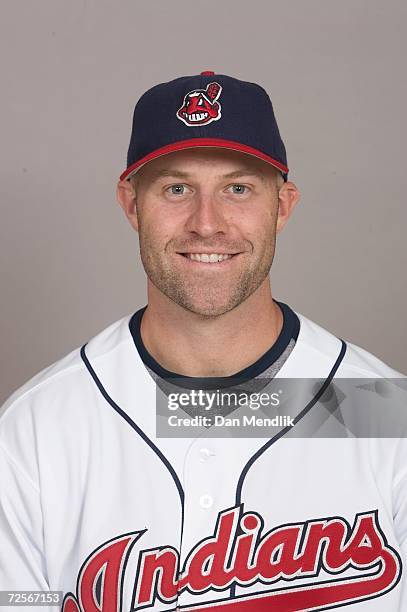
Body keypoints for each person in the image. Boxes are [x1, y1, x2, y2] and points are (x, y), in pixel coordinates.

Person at [0, 71, 406, 611]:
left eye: (238, 188)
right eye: (176, 188)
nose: (207, 224)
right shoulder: (38, 428)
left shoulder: (379, 411)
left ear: (282, 206)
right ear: (131, 203)